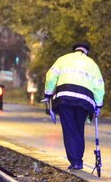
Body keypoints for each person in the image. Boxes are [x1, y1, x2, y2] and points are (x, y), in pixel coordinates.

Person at [44, 42, 105, 170]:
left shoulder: (63, 59)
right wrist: (98, 105)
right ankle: (78, 160)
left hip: (64, 98)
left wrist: (48, 94)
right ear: (87, 51)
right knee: (78, 129)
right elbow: (99, 86)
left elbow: (50, 77)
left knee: (69, 129)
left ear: (74, 50)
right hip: (84, 101)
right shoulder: (92, 64)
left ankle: (75, 161)